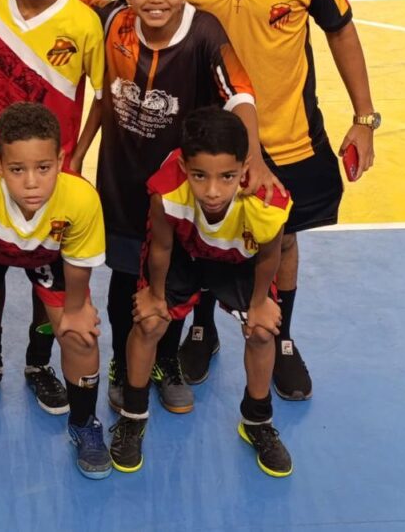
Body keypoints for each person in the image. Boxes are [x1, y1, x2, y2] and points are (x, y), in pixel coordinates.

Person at [0, 0, 378, 400]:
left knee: (273, 242)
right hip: (170, 160)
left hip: (268, 139)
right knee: (163, 259)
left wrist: (362, 117)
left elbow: (329, 37)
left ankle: (272, 340)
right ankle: (183, 341)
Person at [69, 0, 272, 416]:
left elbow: (240, 94)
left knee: (175, 282)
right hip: (122, 179)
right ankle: (122, 363)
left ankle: (165, 361)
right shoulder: (111, 19)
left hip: (180, 189)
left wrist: (254, 157)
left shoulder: (203, 33)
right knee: (125, 280)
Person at [0, 0, 105, 418]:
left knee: (53, 281)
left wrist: (79, 153)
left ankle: (39, 361)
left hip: (50, 178)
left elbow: (103, 97)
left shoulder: (84, 21)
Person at [111, 107, 293, 478]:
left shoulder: (266, 200)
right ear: (184, 168)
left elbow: (270, 254)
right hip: (185, 252)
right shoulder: (166, 190)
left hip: (238, 260)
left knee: (262, 330)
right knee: (149, 322)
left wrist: (260, 302)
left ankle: (257, 421)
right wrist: (155, 295)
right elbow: (161, 246)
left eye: (227, 177)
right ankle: (132, 416)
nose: (212, 191)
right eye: (199, 176)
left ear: (245, 168)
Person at [0, 102, 109, 484]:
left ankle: (84, 423)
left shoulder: (81, 198)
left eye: (43, 168)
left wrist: (75, 310)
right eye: (17, 170)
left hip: (50, 255)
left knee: (81, 336)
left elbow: (78, 263)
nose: (31, 182)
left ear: (60, 161)